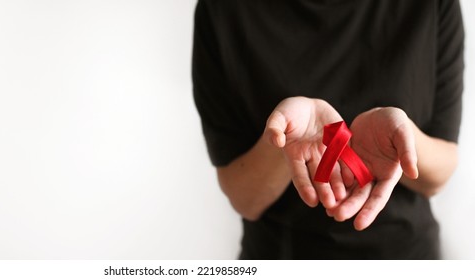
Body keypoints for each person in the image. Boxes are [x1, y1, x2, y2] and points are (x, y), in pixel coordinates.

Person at [192, 0, 463, 259]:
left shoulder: (432, 5)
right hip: (282, 258)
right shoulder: (222, 9)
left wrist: (402, 138)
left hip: (406, 259)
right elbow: (244, 199)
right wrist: (283, 139)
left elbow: (438, 176)